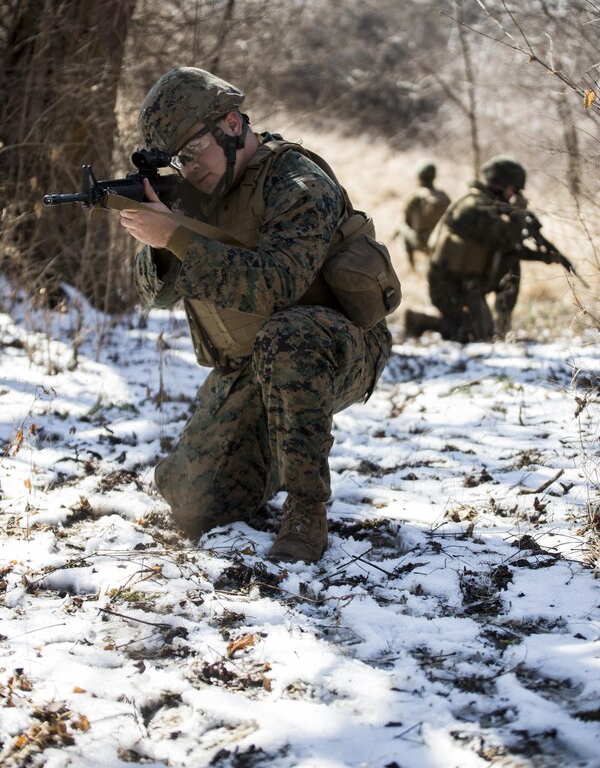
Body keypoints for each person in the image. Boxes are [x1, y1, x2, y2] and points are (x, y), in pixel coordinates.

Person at [119, 67, 393, 563]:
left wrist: (176, 236)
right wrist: (159, 240)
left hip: (336, 346)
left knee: (290, 335)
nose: (187, 168)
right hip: (250, 363)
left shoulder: (299, 183)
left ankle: (307, 508)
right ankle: (274, 447)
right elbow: (151, 295)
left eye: (191, 152)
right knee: (194, 504)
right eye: (175, 161)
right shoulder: (197, 192)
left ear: (230, 124)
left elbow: (279, 284)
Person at [404, 155, 574, 342]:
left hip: (468, 283)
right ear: (502, 185)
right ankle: (420, 321)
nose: (515, 196)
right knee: (476, 334)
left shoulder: (488, 206)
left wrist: (549, 257)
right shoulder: (473, 207)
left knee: (511, 263)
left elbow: (511, 250)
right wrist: (518, 214)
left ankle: (502, 325)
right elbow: (508, 239)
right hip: (448, 287)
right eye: (514, 190)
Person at [398, 161, 450, 267]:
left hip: (422, 242)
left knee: (402, 229)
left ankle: (411, 266)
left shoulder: (415, 196)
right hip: (441, 242)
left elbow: (407, 220)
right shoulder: (443, 196)